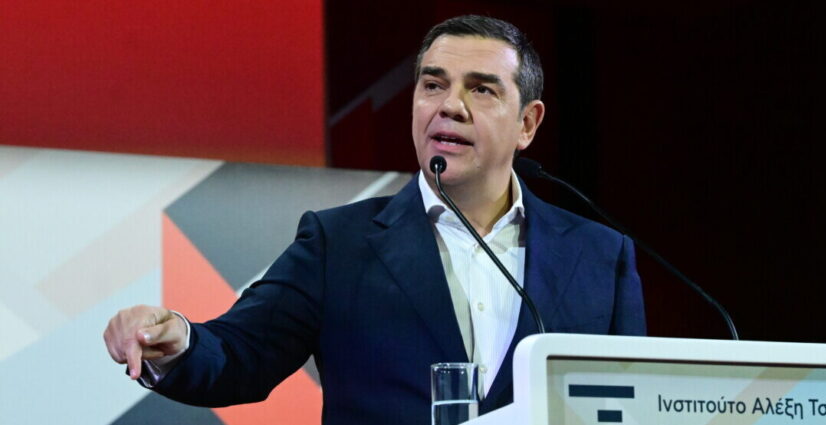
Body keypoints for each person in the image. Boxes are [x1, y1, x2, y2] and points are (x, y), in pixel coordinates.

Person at [103, 15, 646, 424]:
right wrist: (178, 341)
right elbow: (239, 355)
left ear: (528, 123)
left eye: (481, 89)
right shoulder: (338, 243)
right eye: (433, 85)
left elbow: (636, 400)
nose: (450, 105)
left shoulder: (601, 255)